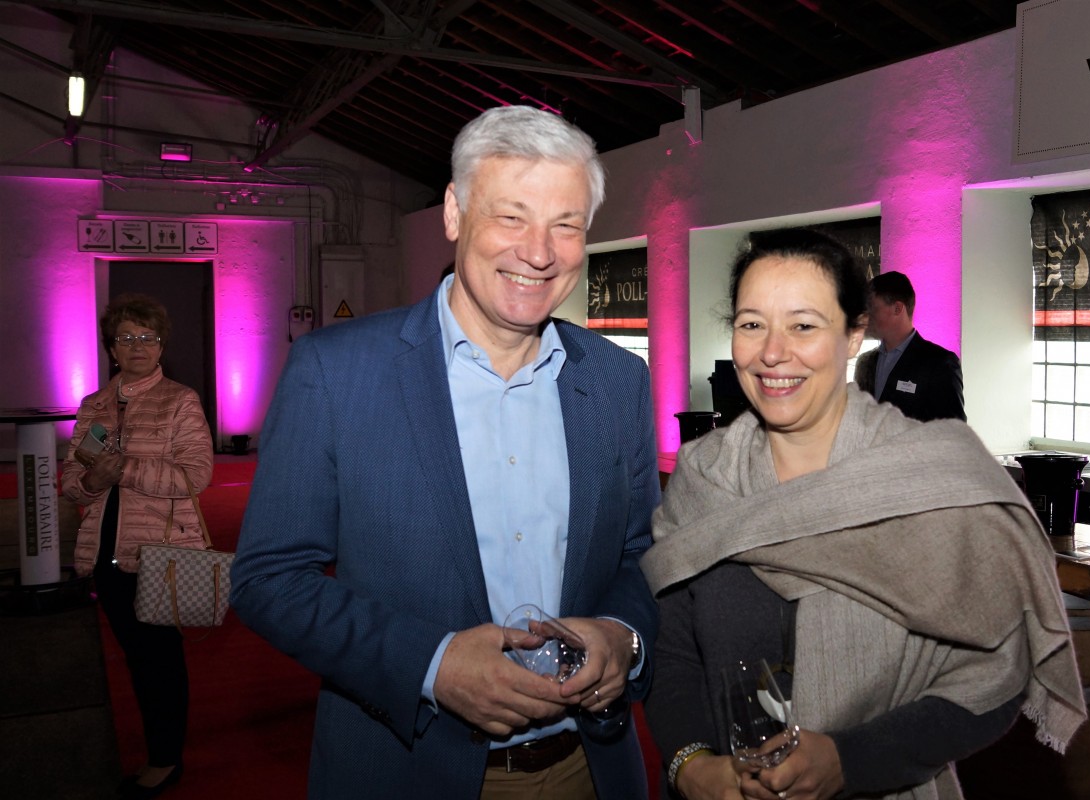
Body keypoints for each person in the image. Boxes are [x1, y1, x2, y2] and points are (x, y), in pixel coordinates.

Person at [230, 105, 659, 799]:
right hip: (406, 770)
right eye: (512, 217)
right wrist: (432, 665)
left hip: (588, 768)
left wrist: (621, 635)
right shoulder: (335, 372)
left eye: (566, 225)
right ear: (455, 213)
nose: (539, 253)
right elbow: (269, 579)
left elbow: (642, 553)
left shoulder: (618, 381)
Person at [640, 228, 1085, 800]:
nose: (772, 352)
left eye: (803, 325)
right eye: (752, 324)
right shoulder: (703, 478)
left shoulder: (929, 479)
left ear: (853, 334)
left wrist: (851, 760)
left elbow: (995, 672)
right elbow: (673, 650)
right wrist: (692, 765)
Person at [62, 293, 213, 799]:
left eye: (147, 337)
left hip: (160, 552)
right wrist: (92, 482)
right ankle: (160, 748)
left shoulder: (180, 401)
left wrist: (122, 470)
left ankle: (165, 759)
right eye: (126, 338)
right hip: (104, 554)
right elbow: (72, 483)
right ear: (112, 348)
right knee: (136, 657)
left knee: (160, 660)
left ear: (161, 344)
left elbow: (195, 475)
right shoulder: (95, 406)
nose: (137, 346)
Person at [853, 271, 966, 422]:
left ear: (897, 309)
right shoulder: (865, 362)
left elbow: (952, 431)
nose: (864, 317)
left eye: (872, 309)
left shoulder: (939, 363)